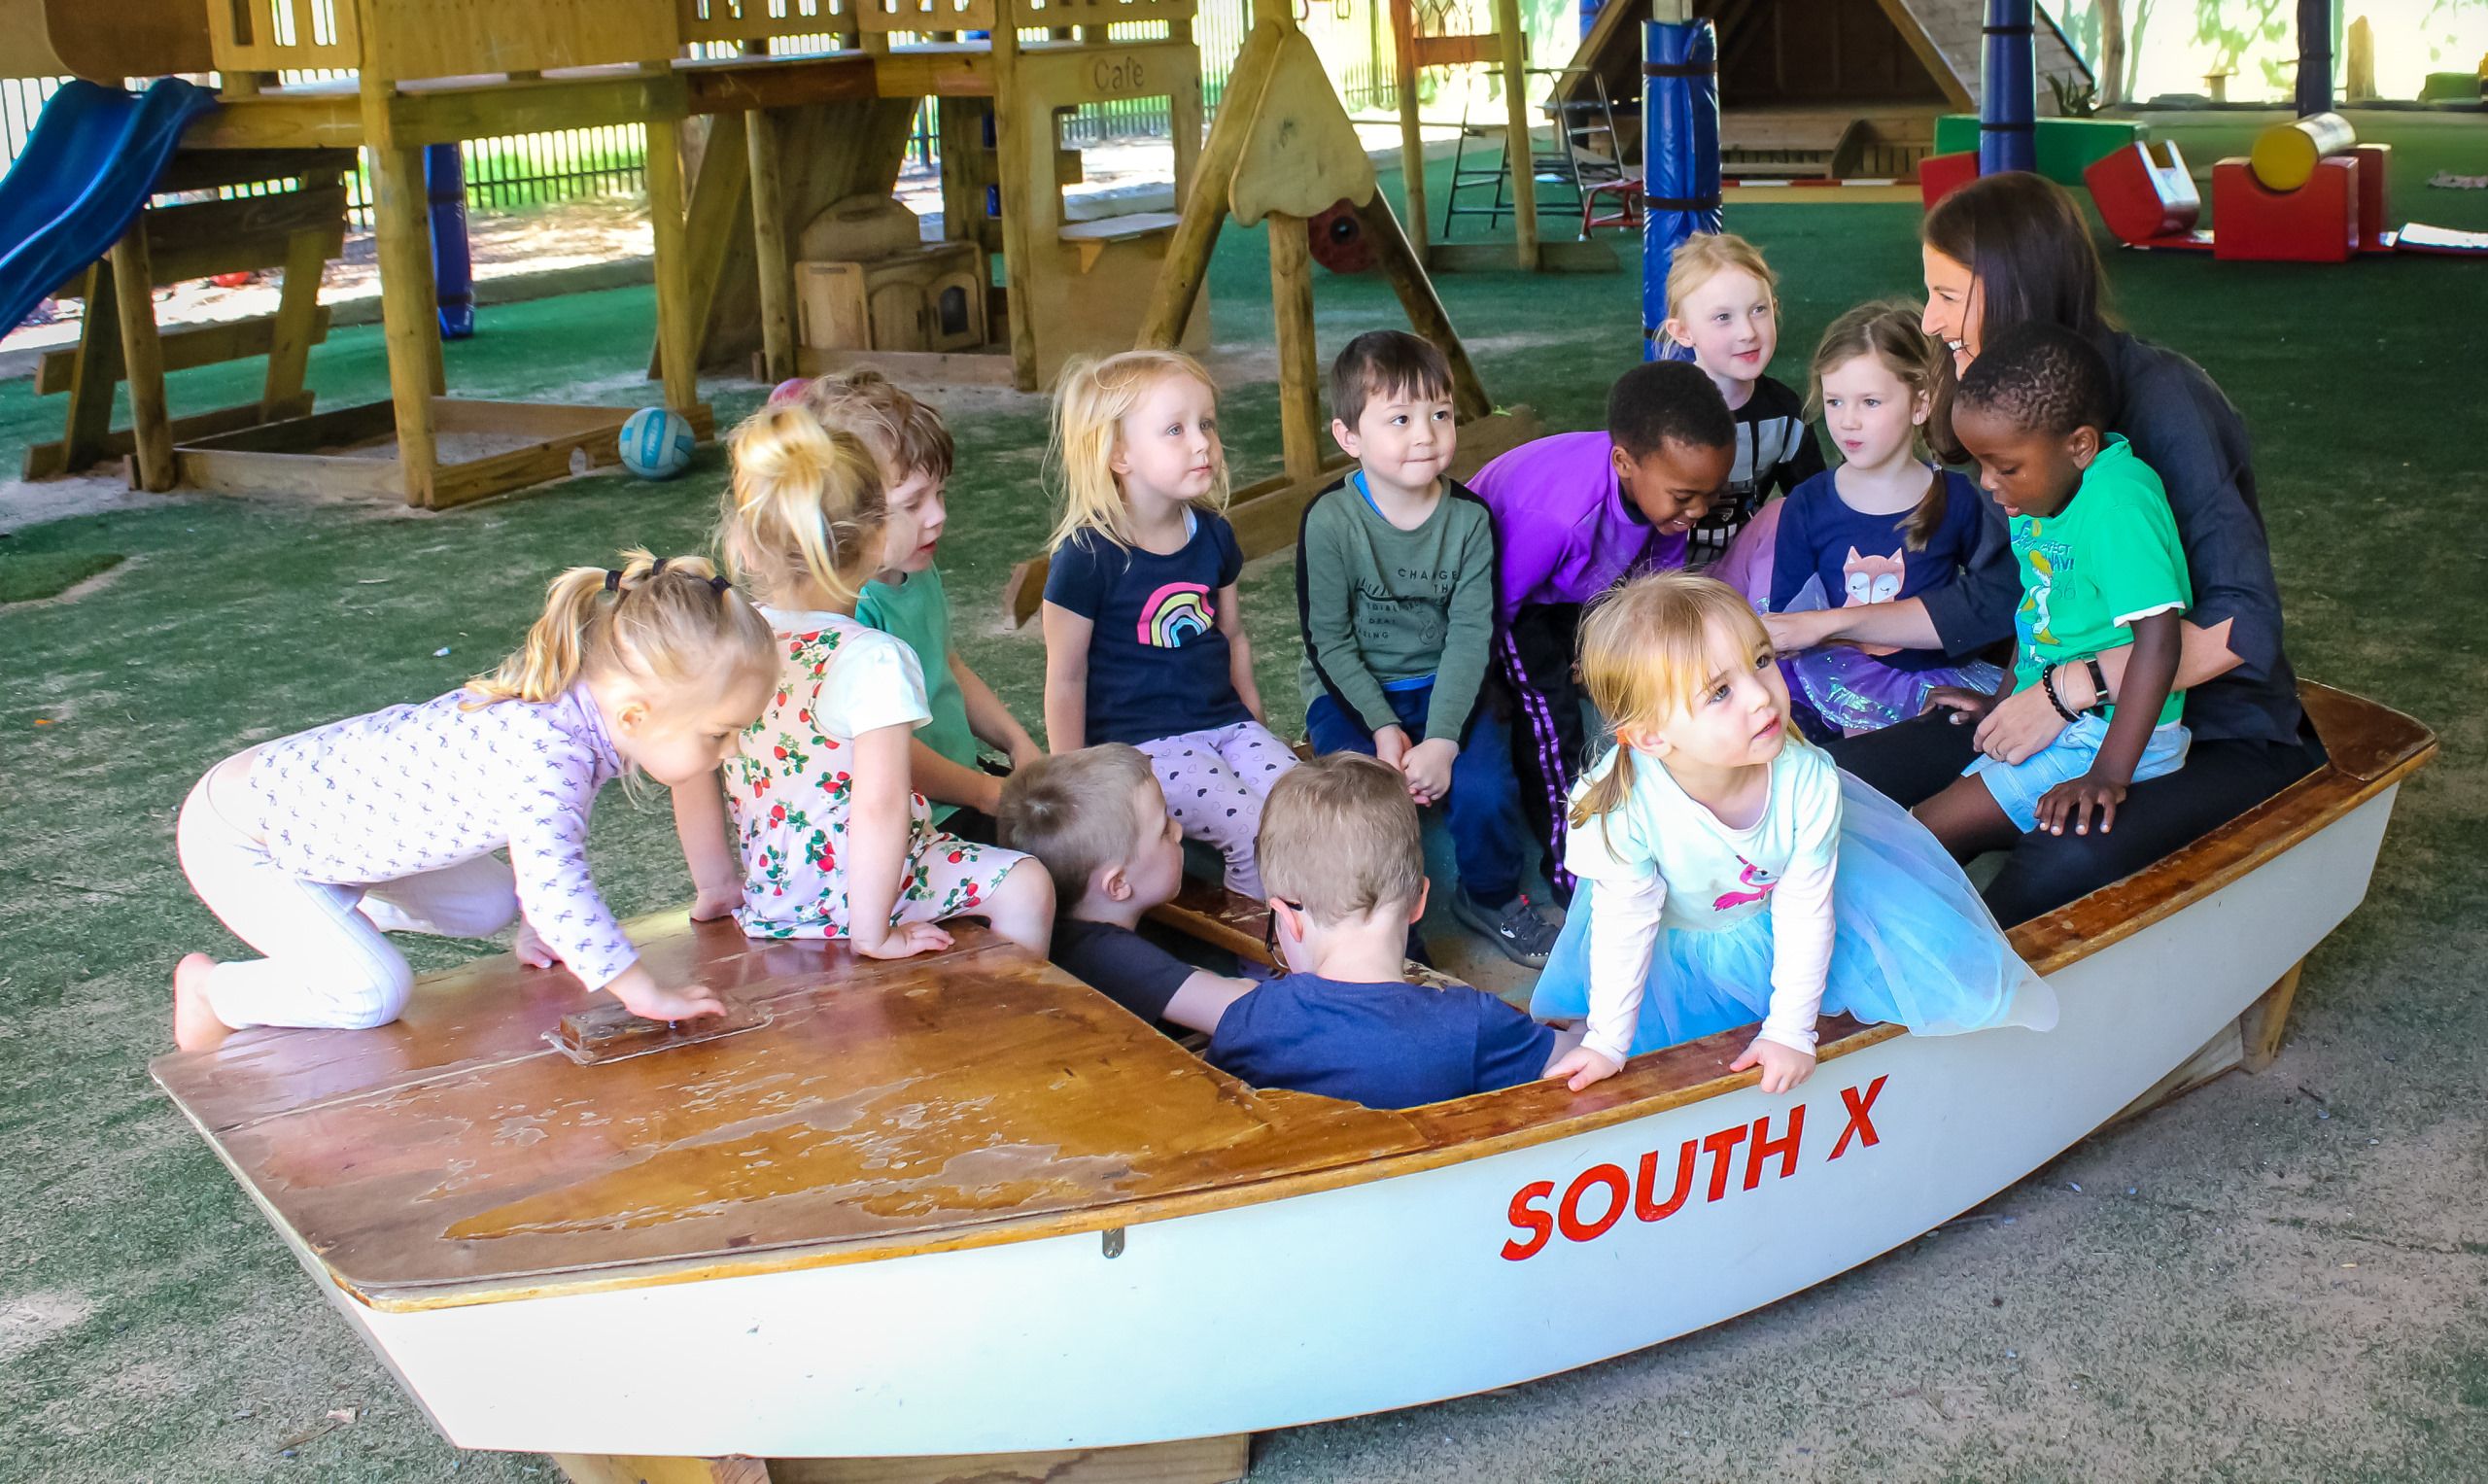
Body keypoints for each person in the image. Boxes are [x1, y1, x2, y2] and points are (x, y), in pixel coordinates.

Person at [1763, 171, 2319, 923]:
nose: (1930, 321)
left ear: (2017, 289)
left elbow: (2239, 627)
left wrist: (2063, 692)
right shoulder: (2009, 413)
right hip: (2055, 692)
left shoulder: (2164, 403)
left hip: (2207, 728)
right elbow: (2002, 594)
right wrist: (1830, 626)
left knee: (2061, 854)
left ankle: (1952, 1010)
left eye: (1949, 297)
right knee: (1835, 780)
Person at [170, 550, 778, 1051]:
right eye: (719, 733)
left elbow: (535, 847)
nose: (730, 751)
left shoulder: (581, 718)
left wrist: (541, 926)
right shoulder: (549, 752)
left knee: (489, 906)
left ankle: (334, 911)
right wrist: (642, 991)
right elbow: (553, 882)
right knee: (372, 994)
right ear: (638, 714)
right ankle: (213, 990)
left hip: (322, 825)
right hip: (245, 838)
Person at [1532, 573, 2052, 1094]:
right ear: (1650, 735)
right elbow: (1628, 923)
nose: (1761, 696)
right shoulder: (1623, 808)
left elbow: (1805, 908)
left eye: (1760, 661)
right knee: (1667, 1057)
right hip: (1676, 944)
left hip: (1784, 916)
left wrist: (1790, 1030)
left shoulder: (1805, 780)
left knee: (1862, 1005)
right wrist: (1606, 1041)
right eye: (1719, 692)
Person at [697, 407, 1054, 957]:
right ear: (876, 536)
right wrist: (873, 934)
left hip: (773, 896)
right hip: (862, 897)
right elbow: (881, 805)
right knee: (1028, 883)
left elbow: (695, 770)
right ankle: (1004, 1021)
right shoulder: (873, 659)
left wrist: (717, 885)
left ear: (748, 544)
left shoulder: (737, 642)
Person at [1294, 330, 1543, 966]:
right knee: (1361, 805)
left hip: (1446, 686)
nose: (1426, 434)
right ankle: (1389, 935)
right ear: (1349, 437)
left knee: (1486, 786)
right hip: (1350, 693)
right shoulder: (1330, 521)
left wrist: (1443, 740)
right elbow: (1330, 640)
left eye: (1440, 413)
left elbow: (1470, 637)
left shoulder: (1469, 520)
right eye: (1400, 418)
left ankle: (1489, 896)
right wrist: (1380, 728)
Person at [1912, 324, 2193, 853]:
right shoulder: (2036, 493)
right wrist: (2001, 701)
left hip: (2111, 734)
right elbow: (2037, 606)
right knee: (1917, 819)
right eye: (1982, 465)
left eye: (2005, 467)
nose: (1990, 483)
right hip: (2057, 714)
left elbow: (2160, 642)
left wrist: (2108, 773)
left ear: (2080, 446)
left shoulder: (2117, 506)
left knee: (1926, 832)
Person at [1468, 360, 1736, 904]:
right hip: (1511, 599)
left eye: (1710, 494)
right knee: (1550, 723)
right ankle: (1572, 876)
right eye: (1685, 497)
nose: (1699, 510)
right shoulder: (1560, 516)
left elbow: (1654, 586)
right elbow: (1493, 603)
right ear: (1625, 464)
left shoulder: (1662, 501)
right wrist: (1487, 679)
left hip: (1571, 585)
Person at [1040, 349, 1296, 900]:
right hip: (1143, 749)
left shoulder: (1213, 534)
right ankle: (1263, 965)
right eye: (1175, 430)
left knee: (1305, 806)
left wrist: (1255, 720)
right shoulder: (1086, 556)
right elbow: (1065, 676)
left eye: (1205, 424)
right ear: (1119, 454)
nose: (1202, 442)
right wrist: (1074, 779)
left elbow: (1232, 635)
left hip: (1228, 727)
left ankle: (1323, 941)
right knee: (1251, 828)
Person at [1205, 754, 1581, 1109]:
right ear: (1419, 900)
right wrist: (1579, 1022)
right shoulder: (1475, 1025)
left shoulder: (1246, 1022)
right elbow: (1579, 1059)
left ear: (1288, 918)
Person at [1728, 301, 2003, 738]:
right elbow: (1790, 614)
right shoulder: (1807, 504)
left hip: (1930, 684)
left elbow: (1996, 599)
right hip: (1831, 683)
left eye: (1870, 402)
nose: (1847, 421)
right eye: (1835, 401)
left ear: (1920, 405)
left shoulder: (1959, 498)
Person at [790, 370, 1043, 844]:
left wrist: (1016, 741)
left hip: (965, 787)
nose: (939, 515)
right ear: (846, 512)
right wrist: (986, 794)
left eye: (940, 493)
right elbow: (892, 751)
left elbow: (946, 666)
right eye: (913, 504)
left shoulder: (917, 569)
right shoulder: (853, 615)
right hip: (920, 821)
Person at [997, 743, 1253, 1034]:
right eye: (1164, 830)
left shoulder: (1068, 933)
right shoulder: (1108, 955)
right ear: (1117, 884)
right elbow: (1244, 1010)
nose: (1179, 830)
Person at [1657, 232, 1826, 561]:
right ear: (1683, 332)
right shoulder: (1659, 411)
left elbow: (1814, 505)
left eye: (1758, 309)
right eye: (1723, 317)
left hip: (1741, 567)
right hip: (1663, 571)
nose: (1748, 332)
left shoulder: (1784, 413)